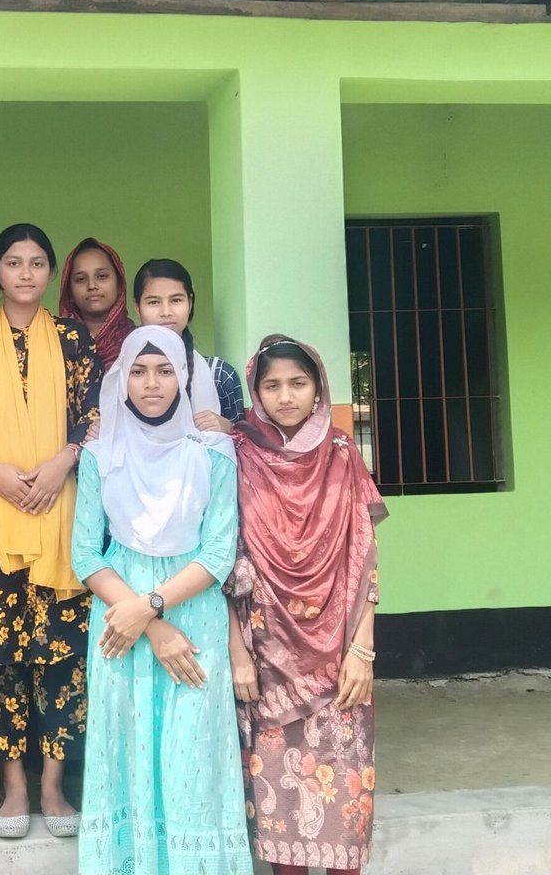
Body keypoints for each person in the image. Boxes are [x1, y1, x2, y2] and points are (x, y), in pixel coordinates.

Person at [73, 326, 253, 874]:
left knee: (191, 755)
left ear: (183, 378)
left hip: (193, 618)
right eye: (138, 371)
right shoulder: (99, 455)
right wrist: (148, 621)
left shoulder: (214, 454)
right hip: (120, 622)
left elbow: (219, 551)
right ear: (121, 379)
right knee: (124, 751)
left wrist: (150, 606)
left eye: (165, 370)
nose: (151, 383)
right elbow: (85, 554)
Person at [0, 222, 98, 840]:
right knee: (0, 656)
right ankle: (13, 788)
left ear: (50, 273)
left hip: (62, 510)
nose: (26, 273)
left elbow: (94, 415)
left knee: (61, 655)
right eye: (14, 262)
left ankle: (53, 786)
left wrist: (61, 463)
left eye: (36, 263)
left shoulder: (74, 340)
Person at [227, 335, 385, 875]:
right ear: (256, 391)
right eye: (272, 385)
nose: (285, 396)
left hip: (339, 654)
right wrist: (238, 653)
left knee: (344, 802)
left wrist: (362, 650)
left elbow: (364, 555)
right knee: (279, 807)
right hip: (267, 654)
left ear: (318, 387)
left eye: (298, 383)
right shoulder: (238, 453)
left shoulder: (341, 453)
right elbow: (227, 559)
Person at [131, 258, 244, 432]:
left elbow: (244, 442)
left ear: (190, 303)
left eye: (176, 300)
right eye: (153, 302)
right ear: (137, 307)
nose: (166, 312)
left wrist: (228, 427)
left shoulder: (220, 374)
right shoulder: (121, 374)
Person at [57, 237, 136, 370]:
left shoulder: (138, 342)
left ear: (119, 285)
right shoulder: (54, 344)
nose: (92, 285)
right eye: (81, 279)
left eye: (102, 276)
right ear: (69, 292)